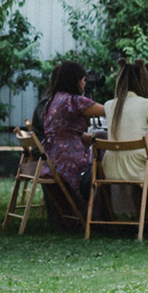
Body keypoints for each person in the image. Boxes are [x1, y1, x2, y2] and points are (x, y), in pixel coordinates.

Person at [39, 60, 103, 224]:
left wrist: (81, 136)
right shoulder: (73, 101)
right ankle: (99, 217)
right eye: (83, 79)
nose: (84, 83)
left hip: (52, 158)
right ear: (75, 81)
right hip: (69, 161)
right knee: (103, 165)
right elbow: (109, 110)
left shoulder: (52, 101)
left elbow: (62, 129)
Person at [98, 58, 148, 184]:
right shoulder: (146, 104)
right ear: (143, 81)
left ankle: (138, 203)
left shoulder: (108, 105)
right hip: (139, 171)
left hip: (111, 170)